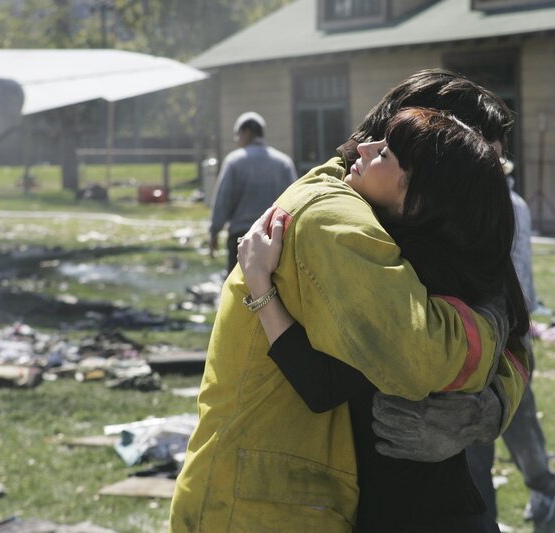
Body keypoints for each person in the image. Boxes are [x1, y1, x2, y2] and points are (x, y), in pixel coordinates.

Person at [170, 70, 531, 533]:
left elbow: (516, 342)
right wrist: (491, 332)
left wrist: (488, 409)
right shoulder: (340, 220)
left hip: (421, 502)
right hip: (276, 500)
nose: (487, 184)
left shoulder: (445, 247)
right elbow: (412, 357)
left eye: (493, 167)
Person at [465, 158, 555, 529]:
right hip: (498, 330)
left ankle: (541, 490)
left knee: (508, 425)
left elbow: (509, 275)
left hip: (503, 332)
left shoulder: (501, 206)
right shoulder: (507, 202)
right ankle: (496, 512)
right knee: (491, 431)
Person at [208, 111, 297, 271]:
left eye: (238, 135)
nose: (237, 140)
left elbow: (223, 201)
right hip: (274, 239)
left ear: (247, 132)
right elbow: (295, 202)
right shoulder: (284, 163)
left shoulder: (234, 161)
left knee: (238, 286)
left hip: (241, 238)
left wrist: (214, 232)